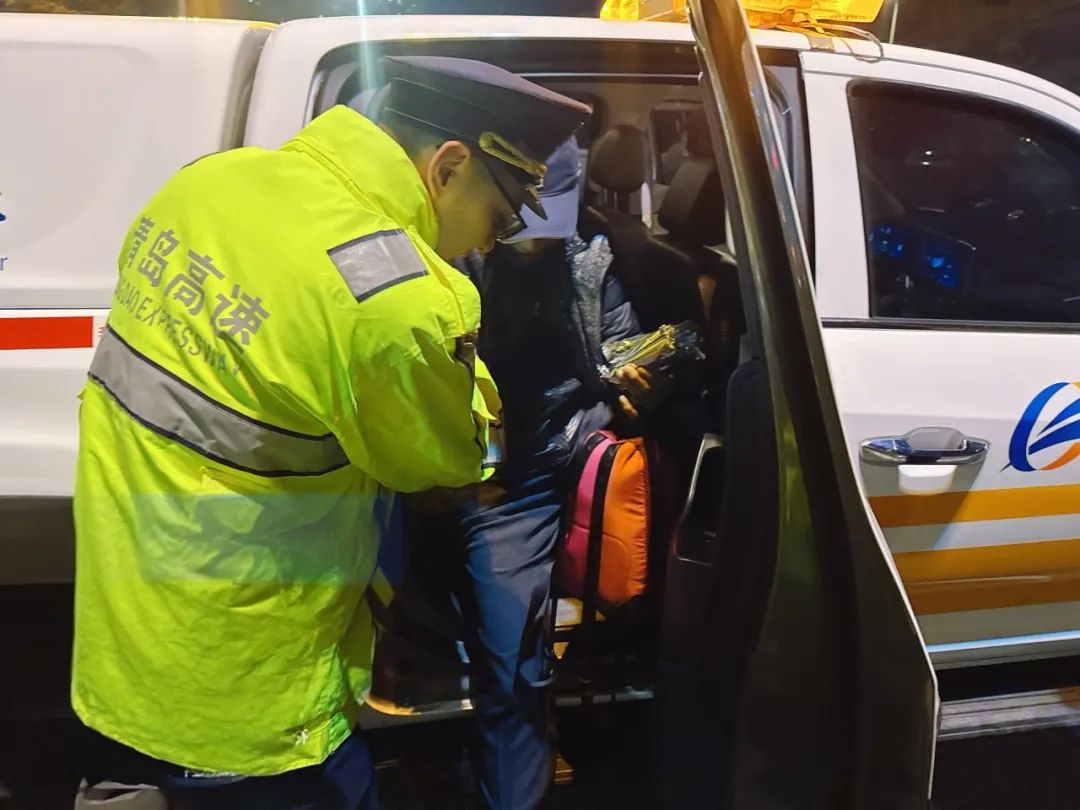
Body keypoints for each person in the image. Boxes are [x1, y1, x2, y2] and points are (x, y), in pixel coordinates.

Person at [71, 56, 590, 810]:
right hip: (249, 691)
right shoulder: (397, 298)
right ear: (448, 167)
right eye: (501, 217)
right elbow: (447, 460)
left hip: (126, 635)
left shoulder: (208, 184)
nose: (485, 245)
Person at [449, 136, 648, 809]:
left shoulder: (589, 256)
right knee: (511, 663)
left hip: (583, 447)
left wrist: (641, 376)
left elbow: (619, 341)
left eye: (551, 222)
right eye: (523, 220)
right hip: (504, 480)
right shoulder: (453, 262)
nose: (536, 240)